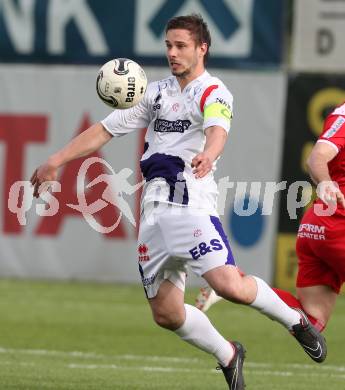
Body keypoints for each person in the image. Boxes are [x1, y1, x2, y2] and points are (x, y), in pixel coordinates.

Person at [30, 14, 326, 390]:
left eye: (181, 45)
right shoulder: (154, 93)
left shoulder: (213, 91)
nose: (172, 52)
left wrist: (209, 151)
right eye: (169, 45)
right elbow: (104, 130)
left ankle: (296, 322)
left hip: (190, 207)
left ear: (202, 48)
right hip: (153, 215)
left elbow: (218, 129)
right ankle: (229, 355)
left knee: (230, 286)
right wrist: (55, 161)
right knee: (167, 314)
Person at [196, 101, 345, 337]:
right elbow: (317, 158)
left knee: (310, 320)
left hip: (318, 224)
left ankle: (234, 282)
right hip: (337, 223)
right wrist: (326, 182)